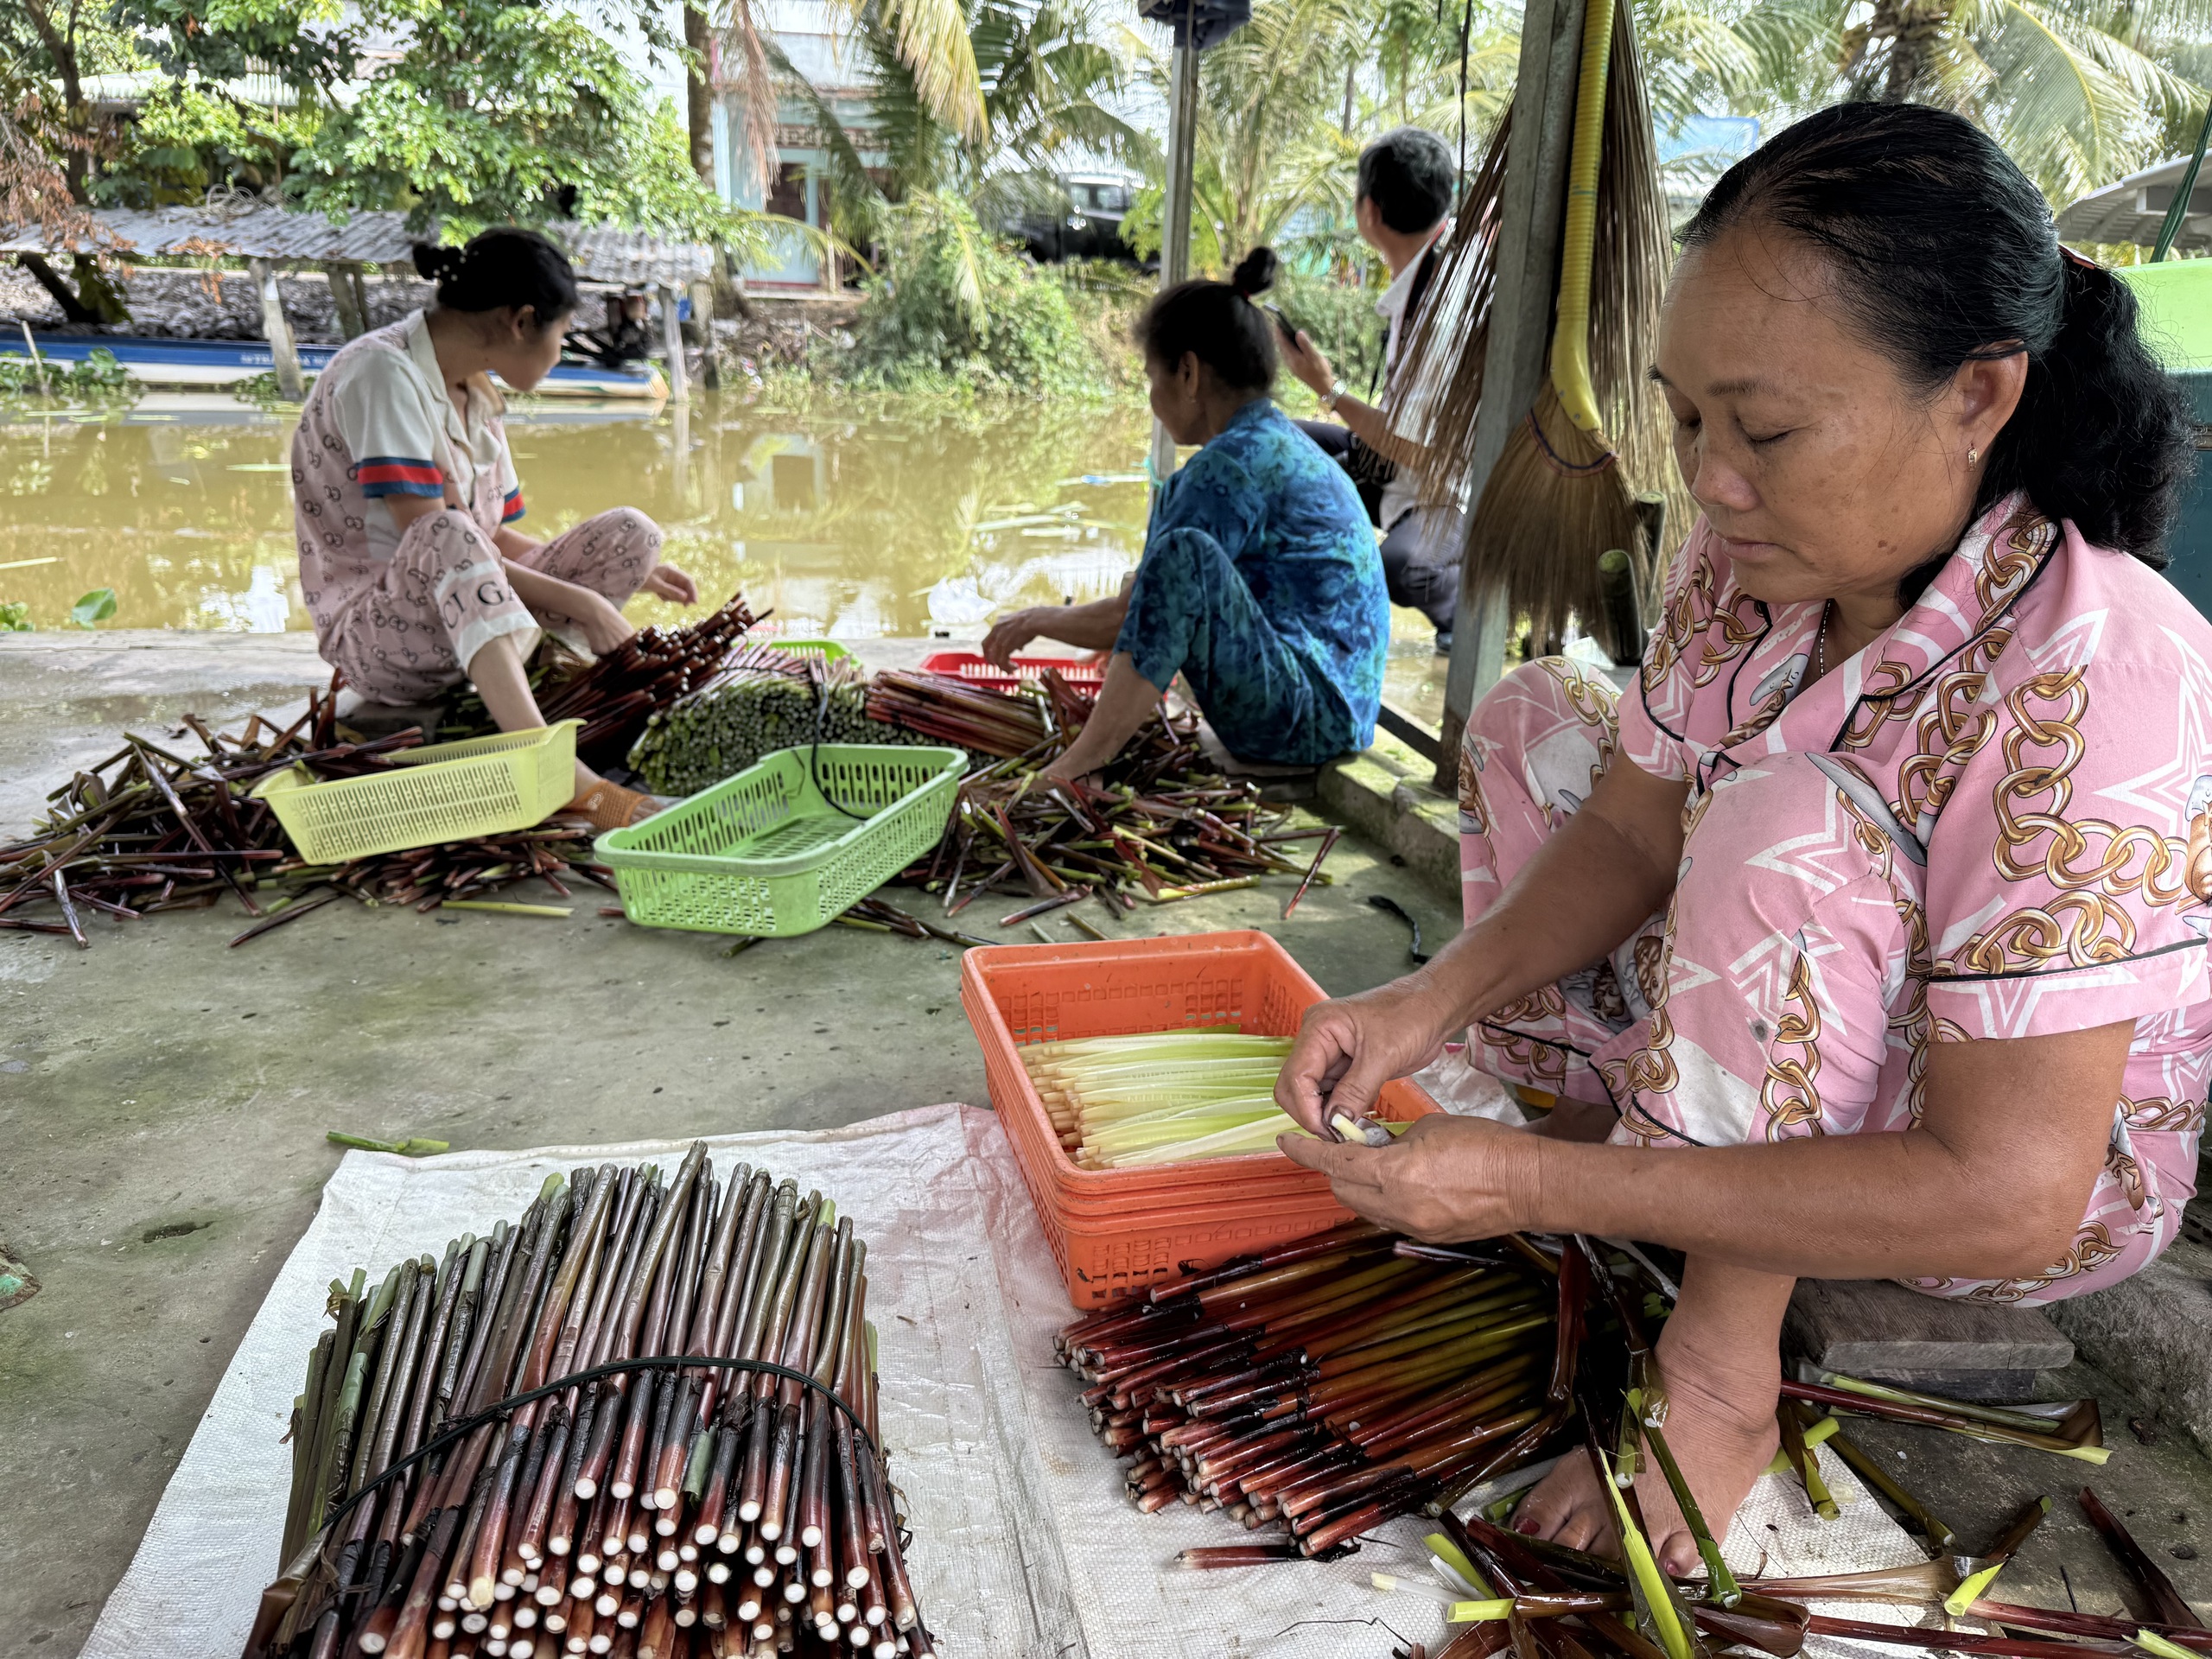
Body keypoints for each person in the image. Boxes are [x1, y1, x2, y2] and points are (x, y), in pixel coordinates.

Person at [1268, 102, 2209, 1571]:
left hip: (2003, 1179)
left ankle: (1717, 1379)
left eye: (1764, 429)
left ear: (1978, 394)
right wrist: (1423, 995)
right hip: (1789, 1018)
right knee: (1535, 717)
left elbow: (2014, 1192)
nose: (1711, 478)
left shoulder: (2101, 668)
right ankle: (1637, 1154)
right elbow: (1632, 831)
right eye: (1695, 420)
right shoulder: (1749, 559)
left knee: (1787, 827)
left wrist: (1531, 1188)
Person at [292, 228, 697, 830]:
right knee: (444, 533)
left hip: (460, 610)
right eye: (561, 334)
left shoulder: (475, 391)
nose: (562, 351)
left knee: (632, 533)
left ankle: (516, 694)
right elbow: (438, 542)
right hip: (383, 639)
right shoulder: (382, 373)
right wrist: (583, 603)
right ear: (521, 321)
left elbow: (497, 540)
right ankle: (555, 773)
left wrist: (621, 577)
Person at [981, 248, 1388, 779]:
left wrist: (1035, 620)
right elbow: (1148, 605)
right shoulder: (1273, 442)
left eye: (1153, 377)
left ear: (1189, 373)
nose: (1153, 396)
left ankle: (1073, 769)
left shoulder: (1227, 469)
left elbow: (1135, 611)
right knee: (1160, 564)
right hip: (1334, 711)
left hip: (1306, 718)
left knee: (1180, 552)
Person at [1281, 127, 1461, 651]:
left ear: (1369, 213)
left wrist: (1329, 391)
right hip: (1397, 465)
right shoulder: (1425, 277)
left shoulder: (1439, 307)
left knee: (1403, 569)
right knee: (1278, 443)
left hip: (1447, 490)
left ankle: (1464, 606)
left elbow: (1420, 452)